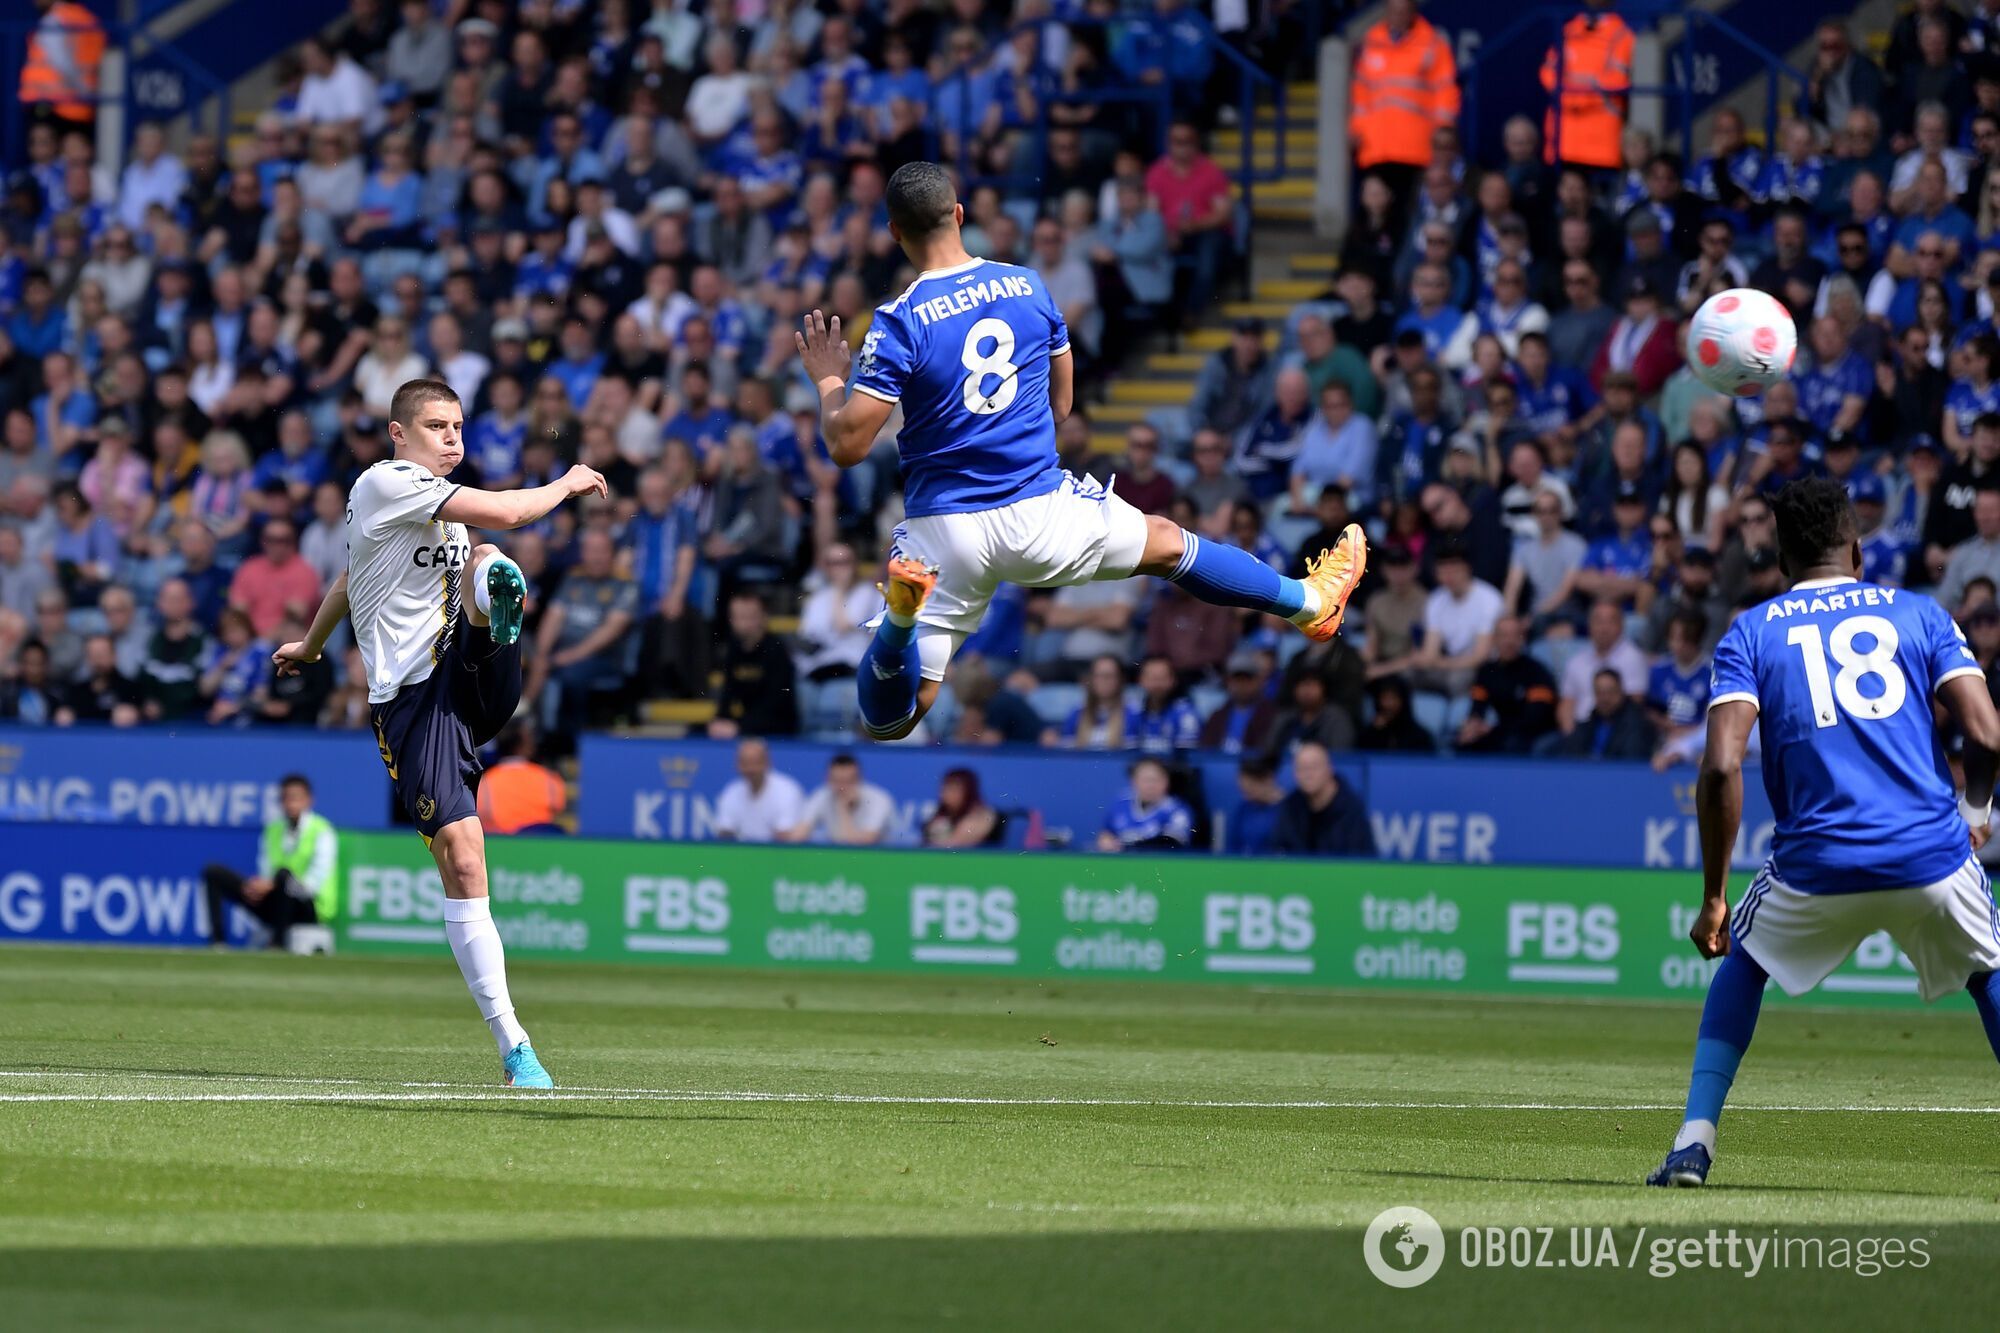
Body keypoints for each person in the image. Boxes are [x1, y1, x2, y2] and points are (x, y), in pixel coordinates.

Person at [794, 162, 1365, 743]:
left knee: (893, 719)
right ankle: (1309, 603)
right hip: (1038, 509)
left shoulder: (900, 319)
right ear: (960, 214)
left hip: (946, 531)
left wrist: (827, 381)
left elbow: (847, 447)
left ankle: (897, 624)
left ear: (894, 232)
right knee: (1169, 544)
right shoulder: (1028, 286)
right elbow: (1061, 407)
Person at [1649, 477, 2000, 1187]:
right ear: (1858, 549)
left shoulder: (1752, 630)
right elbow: (1987, 731)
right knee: (1988, 970)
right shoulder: (1920, 614)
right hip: (1931, 852)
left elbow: (1719, 768)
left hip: (1816, 864)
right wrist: (1975, 813)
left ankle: (1693, 1142)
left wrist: (1713, 895)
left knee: (1742, 959)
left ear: (1780, 559)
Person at [272, 377, 608, 1091]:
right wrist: (570, 479)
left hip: (471, 682)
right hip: (417, 706)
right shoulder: (386, 483)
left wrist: (310, 643)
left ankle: (497, 608)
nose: (452, 438)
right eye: (435, 426)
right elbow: (514, 509)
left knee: (483, 557)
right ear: (399, 435)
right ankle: (516, 1045)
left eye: (458, 426)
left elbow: (347, 578)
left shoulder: (438, 513)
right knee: (463, 855)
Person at [201, 774, 337, 950]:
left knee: (284, 875)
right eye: (286, 798)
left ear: (308, 800)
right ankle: (217, 943)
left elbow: (314, 883)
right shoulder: (273, 830)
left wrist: (274, 883)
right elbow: (266, 870)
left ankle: (277, 943)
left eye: (296, 798)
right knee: (213, 872)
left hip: (309, 908)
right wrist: (258, 887)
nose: (290, 803)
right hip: (276, 901)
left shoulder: (322, 831)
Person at [1348, 0, 1460, 196]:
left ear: (1412, 13)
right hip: (1376, 145)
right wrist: (1356, 129)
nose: (1397, 16)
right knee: (1374, 207)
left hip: (1416, 147)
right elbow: (1361, 95)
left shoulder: (1432, 44)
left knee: (1407, 209)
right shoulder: (1372, 42)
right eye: (1393, 11)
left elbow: (1445, 92)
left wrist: (1442, 132)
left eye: (1402, 11)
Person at [1270, 743, 1376, 857]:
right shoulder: (1290, 806)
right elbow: (1279, 851)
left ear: (1329, 768)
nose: (1308, 775)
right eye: (1301, 768)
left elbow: (1363, 859)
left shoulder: (1351, 808)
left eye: (1314, 767)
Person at [475, 720, 567, 835]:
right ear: (522, 745)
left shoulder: (484, 784)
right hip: (543, 843)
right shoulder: (548, 778)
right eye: (530, 738)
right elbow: (558, 806)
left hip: (503, 846)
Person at [784, 753, 895, 846]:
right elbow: (798, 835)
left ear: (859, 779)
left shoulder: (879, 799)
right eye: (837, 781)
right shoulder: (822, 794)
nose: (842, 787)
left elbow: (861, 843)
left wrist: (843, 809)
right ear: (827, 779)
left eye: (848, 781)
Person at [711, 737, 806, 843]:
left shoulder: (787, 791)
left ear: (767, 762)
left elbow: (784, 838)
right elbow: (724, 833)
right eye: (744, 763)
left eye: (755, 762)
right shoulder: (731, 792)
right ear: (737, 765)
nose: (749, 769)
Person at [1097, 756, 1194, 852]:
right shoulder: (1121, 803)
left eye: (1155, 780)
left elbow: (1174, 842)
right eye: (1145, 780)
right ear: (1133, 781)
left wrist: (1131, 846)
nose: (1150, 786)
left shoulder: (1177, 810)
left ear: (1166, 781)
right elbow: (1106, 833)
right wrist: (1106, 841)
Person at [923, 767, 999, 847]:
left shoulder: (984, 815)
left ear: (968, 792)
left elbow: (956, 844)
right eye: (944, 788)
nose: (945, 794)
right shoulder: (940, 815)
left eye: (953, 789)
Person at [1225, 756, 1284, 856]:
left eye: (1251, 790)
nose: (1247, 797)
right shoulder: (1243, 809)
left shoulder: (1288, 812)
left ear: (1268, 779)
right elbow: (1232, 849)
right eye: (1244, 791)